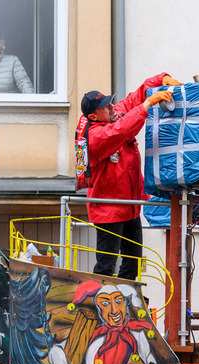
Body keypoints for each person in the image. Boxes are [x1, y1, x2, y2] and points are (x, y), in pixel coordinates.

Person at [80, 73, 180, 280]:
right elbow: (123, 129)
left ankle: (126, 305)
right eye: (105, 107)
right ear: (93, 117)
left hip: (129, 206)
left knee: (132, 263)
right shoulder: (96, 138)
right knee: (106, 266)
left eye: (110, 103)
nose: (111, 107)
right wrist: (149, 103)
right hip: (108, 209)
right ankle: (101, 305)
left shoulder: (112, 116)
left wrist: (162, 79)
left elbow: (134, 98)